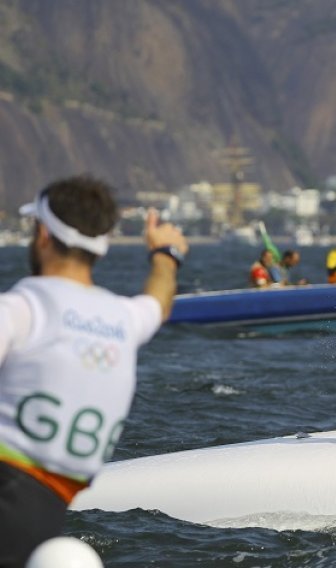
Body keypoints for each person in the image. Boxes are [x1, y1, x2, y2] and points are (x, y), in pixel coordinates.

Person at [0, 175, 188, 566]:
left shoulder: (21, 310)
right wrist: (166, 253)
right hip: (45, 517)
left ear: (44, 236)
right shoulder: (123, 319)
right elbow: (159, 301)